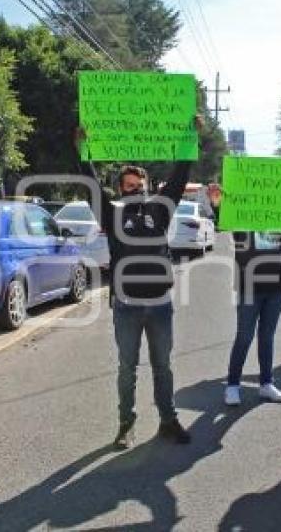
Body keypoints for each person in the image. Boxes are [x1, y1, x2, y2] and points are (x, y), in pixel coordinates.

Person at [77, 121, 201, 450]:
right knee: (127, 368)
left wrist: (190, 138)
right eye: (128, 185)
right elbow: (90, 184)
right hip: (127, 306)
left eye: (138, 183)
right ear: (120, 189)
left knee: (163, 366)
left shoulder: (160, 210)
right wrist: (83, 150)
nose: (134, 188)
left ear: (147, 185)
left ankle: (168, 420)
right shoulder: (112, 213)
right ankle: (126, 425)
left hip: (160, 305)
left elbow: (178, 179)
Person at [207, 185, 281, 406]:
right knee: (244, 336)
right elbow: (224, 220)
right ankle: (233, 385)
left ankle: (266, 384)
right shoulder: (242, 220)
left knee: (267, 336)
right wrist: (217, 203)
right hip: (249, 285)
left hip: (277, 284)